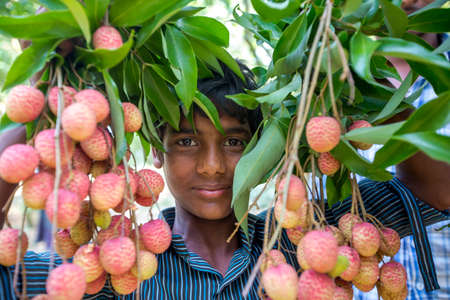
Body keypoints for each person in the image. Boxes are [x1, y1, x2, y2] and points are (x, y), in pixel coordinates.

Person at [0, 61, 448, 299]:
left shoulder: (311, 241)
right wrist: (44, 110)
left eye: (235, 143)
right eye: (188, 142)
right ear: (157, 150)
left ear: (261, 150)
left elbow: (437, 193)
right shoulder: (120, 270)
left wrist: (378, 88)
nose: (213, 166)